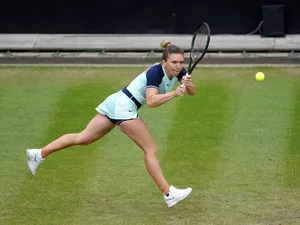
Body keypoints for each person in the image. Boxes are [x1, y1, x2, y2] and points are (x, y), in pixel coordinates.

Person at [26, 40, 195, 208]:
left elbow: (192, 92)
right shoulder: (155, 72)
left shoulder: (178, 70)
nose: (178, 66)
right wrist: (174, 93)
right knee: (150, 149)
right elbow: (151, 101)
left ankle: (38, 154)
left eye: (181, 62)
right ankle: (168, 193)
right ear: (164, 62)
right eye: (174, 62)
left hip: (116, 101)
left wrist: (187, 83)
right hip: (123, 105)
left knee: (84, 138)